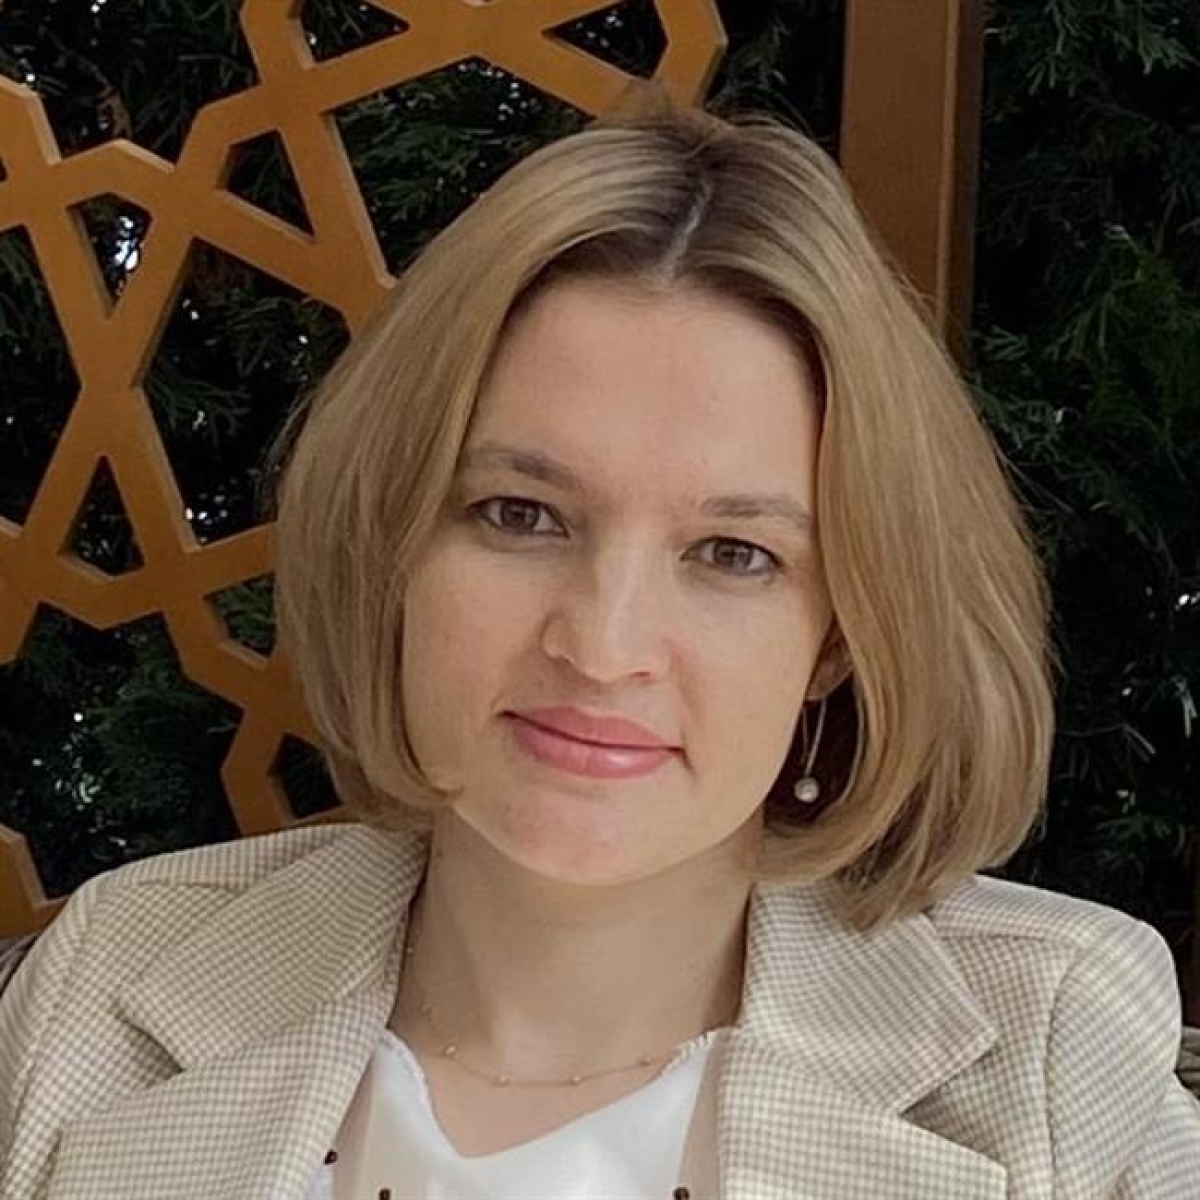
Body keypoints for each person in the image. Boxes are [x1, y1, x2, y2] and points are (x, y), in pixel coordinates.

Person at [2, 86, 1198, 1200]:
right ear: (392, 545)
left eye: (733, 553)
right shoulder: (107, 983)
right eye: (520, 515)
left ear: (843, 633)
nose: (603, 645)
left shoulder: (1053, 1043)